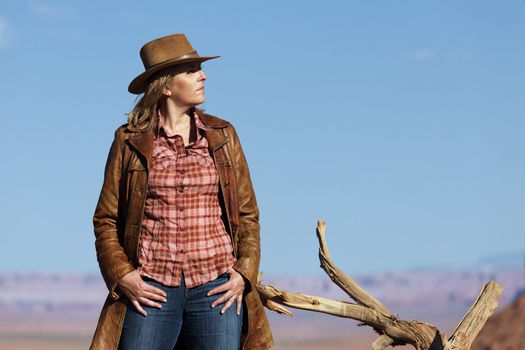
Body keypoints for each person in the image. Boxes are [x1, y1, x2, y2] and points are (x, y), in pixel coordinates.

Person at [89, 34, 273, 350]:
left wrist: (244, 273)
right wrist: (123, 275)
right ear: (165, 86)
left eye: (199, 69)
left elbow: (247, 214)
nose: (203, 76)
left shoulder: (223, 136)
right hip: (149, 289)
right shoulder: (129, 141)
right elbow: (105, 219)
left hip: (216, 289)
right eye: (190, 70)